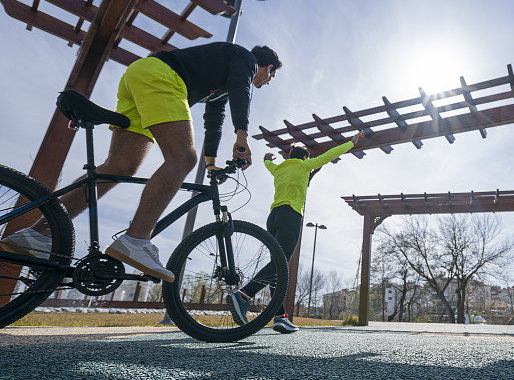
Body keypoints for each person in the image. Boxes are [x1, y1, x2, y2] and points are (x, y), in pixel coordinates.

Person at [2, 43, 281, 283]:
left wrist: (211, 164)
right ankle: (136, 239)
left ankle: (36, 235)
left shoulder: (223, 82)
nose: (268, 82)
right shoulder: (246, 58)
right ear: (266, 67)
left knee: (120, 167)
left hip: (140, 75)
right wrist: (242, 136)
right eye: (271, 76)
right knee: (182, 158)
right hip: (164, 77)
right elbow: (242, 91)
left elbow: (214, 120)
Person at [227, 131, 365, 333]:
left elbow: (268, 164)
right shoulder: (304, 165)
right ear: (304, 158)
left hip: (273, 216)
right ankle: (245, 295)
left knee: (277, 266)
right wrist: (351, 142)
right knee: (280, 263)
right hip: (291, 214)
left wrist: (266, 159)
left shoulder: (279, 168)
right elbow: (330, 154)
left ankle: (280, 316)